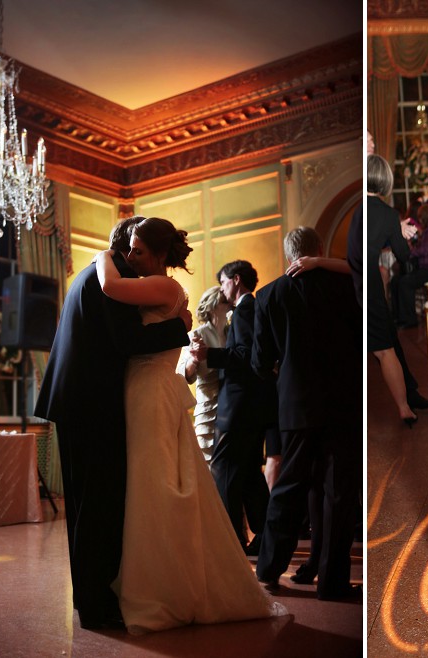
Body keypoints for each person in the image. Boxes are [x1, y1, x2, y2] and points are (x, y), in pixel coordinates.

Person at [94, 217, 285, 633]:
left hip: (151, 392)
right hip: (147, 389)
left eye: (138, 251)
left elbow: (109, 285)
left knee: (155, 484)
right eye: (127, 250)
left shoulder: (164, 286)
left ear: (160, 256)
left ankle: (164, 588)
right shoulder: (162, 291)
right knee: (158, 483)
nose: (128, 257)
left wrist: (102, 253)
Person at [35, 216, 192, 630]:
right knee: (97, 506)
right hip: (91, 403)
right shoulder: (112, 277)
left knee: (84, 506)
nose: (135, 259)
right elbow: (127, 342)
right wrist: (180, 328)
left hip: (74, 400)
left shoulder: (91, 273)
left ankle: (88, 596)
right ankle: (96, 605)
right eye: (134, 251)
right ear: (127, 249)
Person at [252, 227, 361, 601]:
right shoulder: (346, 286)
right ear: (318, 250)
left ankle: (268, 569)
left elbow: (259, 362)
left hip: (296, 404)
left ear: (288, 257)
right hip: (343, 401)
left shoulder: (268, 295)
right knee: (338, 493)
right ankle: (331, 583)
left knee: (288, 487)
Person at [204, 261, 276, 555]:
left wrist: (208, 354)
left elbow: (244, 355)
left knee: (224, 469)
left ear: (236, 280)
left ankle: (233, 540)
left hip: (241, 405)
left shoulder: (245, 309)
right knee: (248, 474)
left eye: (222, 282)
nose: (221, 289)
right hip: (253, 405)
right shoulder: (251, 307)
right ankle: (267, 535)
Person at [367, 154, 428, 426]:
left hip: (362, 279)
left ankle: (410, 393)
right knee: (385, 347)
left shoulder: (361, 208)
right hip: (370, 283)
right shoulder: (386, 213)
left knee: (390, 340)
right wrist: (400, 236)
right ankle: (404, 406)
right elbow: (403, 255)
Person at [179, 286, 231, 464]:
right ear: (212, 306)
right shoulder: (197, 335)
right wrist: (194, 359)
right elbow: (185, 375)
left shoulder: (232, 333)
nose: (230, 305)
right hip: (208, 407)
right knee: (208, 463)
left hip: (231, 407)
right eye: (225, 302)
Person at [389, 203, 428, 329]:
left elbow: (426, 249)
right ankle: (398, 317)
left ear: (424, 217)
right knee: (396, 281)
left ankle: (409, 320)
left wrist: (410, 252)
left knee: (405, 282)